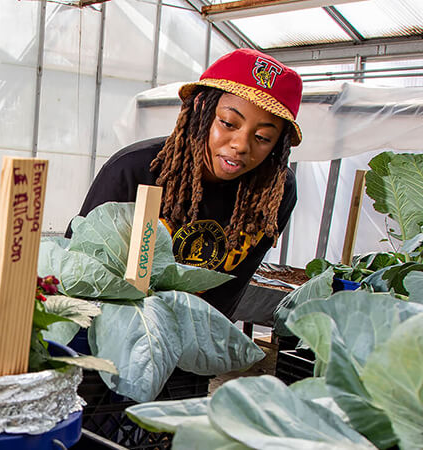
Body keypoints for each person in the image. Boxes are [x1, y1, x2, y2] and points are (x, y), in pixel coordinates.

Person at [72, 48, 302, 319]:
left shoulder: (275, 193)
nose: (241, 145)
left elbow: (232, 289)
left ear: (279, 143)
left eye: (262, 137)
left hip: (195, 341)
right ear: (201, 107)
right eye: (228, 123)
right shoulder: (133, 170)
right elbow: (77, 271)